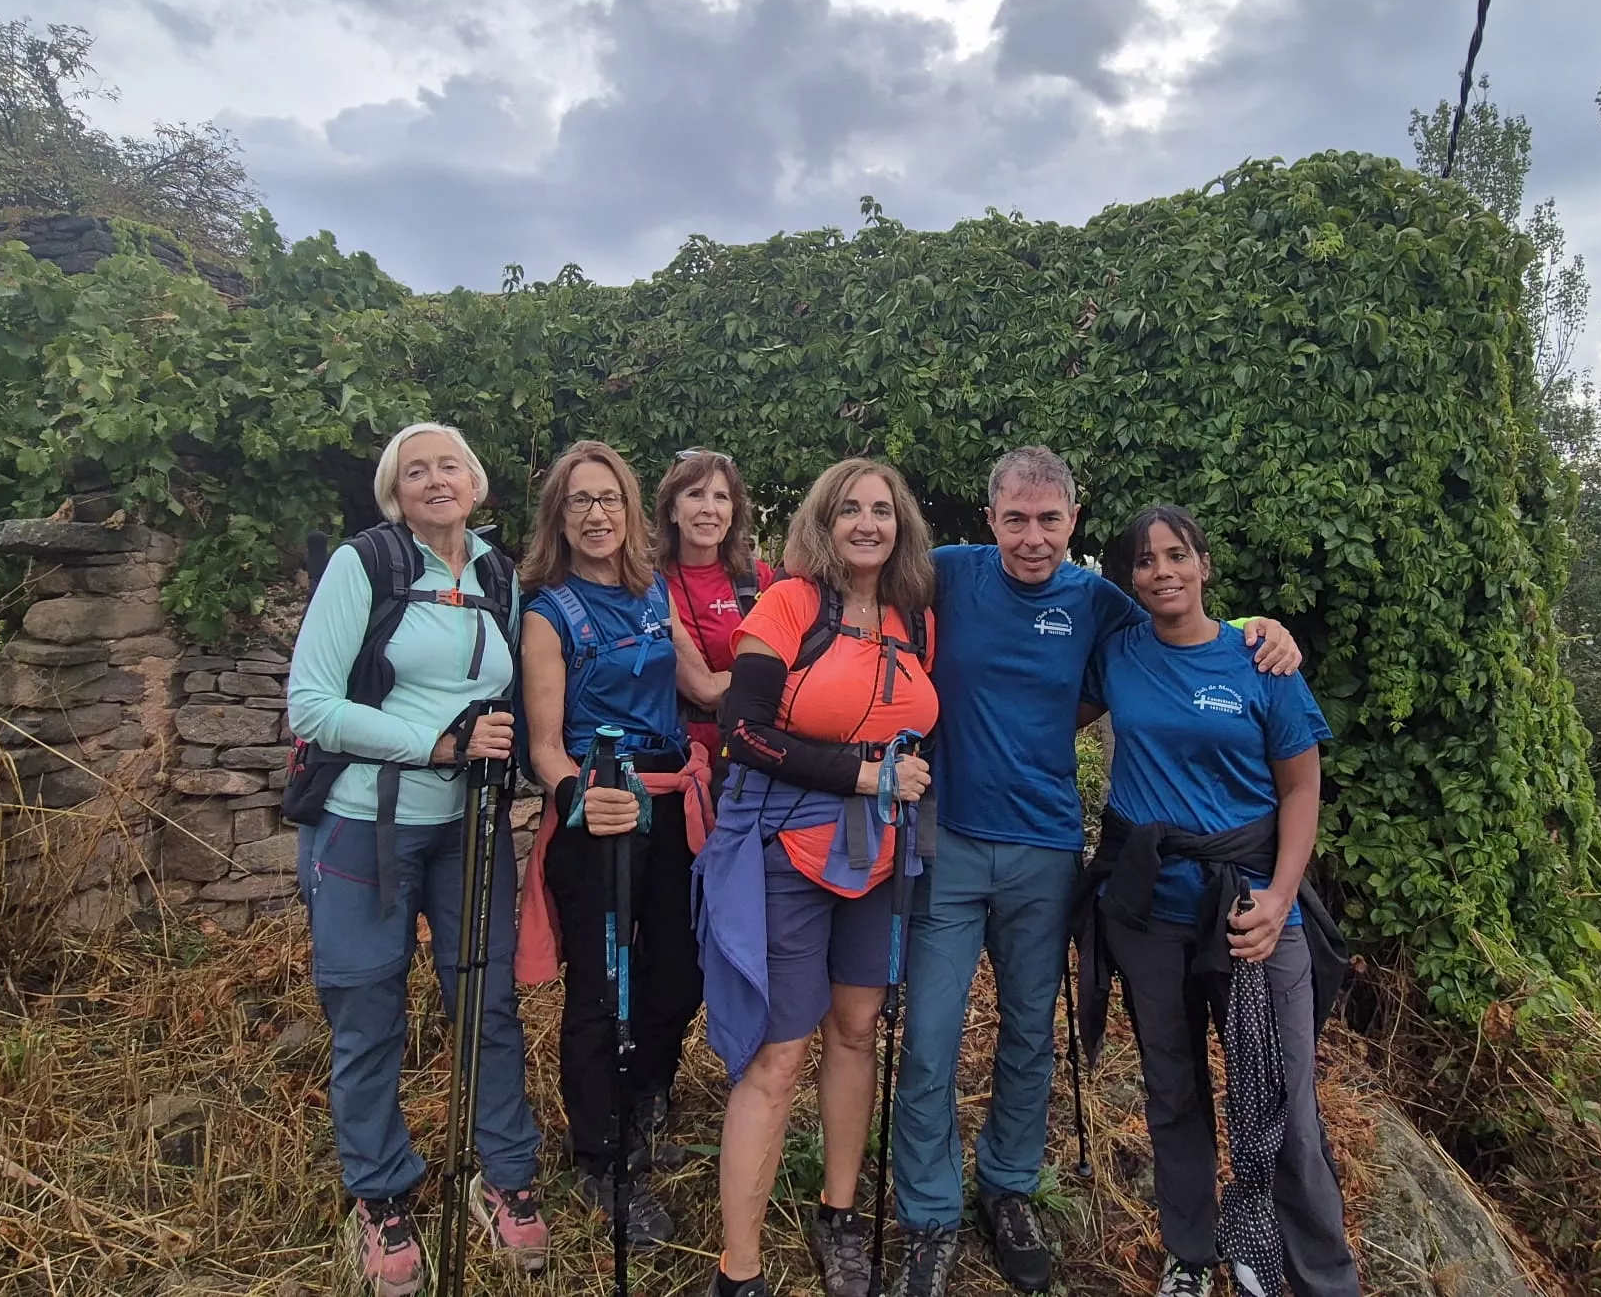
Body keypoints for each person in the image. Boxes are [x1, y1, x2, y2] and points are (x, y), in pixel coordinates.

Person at [889, 446, 1301, 1297]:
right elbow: (850, 586)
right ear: (989, 516)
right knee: (928, 1040)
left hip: (1045, 848)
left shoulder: (1100, 601)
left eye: (1049, 520)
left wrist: (1265, 632)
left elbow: (1184, 628)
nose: (1031, 538)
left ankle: (1009, 1189)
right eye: (1015, 519)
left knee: (1030, 1034)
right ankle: (928, 1215)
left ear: (1072, 521)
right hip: (949, 839)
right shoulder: (946, 574)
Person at [287, 422, 547, 1297]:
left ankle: (505, 1175)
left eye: (450, 467)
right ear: (393, 491)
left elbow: (505, 700)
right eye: (415, 470)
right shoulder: (366, 565)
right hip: (366, 825)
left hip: (471, 828)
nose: (435, 480)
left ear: (475, 484)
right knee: (369, 1015)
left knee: (489, 1001)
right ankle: (381, 1195)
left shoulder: (498, 576)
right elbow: (311, 706)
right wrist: (434, 744)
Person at [1077, 505, 1355, 1297]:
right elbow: (1039, 714)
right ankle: (1191, 1256)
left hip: (1251, 914)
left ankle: (1317, 1276)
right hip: (1150, 912)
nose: (1161, 571)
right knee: (1173, 1090)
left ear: (1203, 564)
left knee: (1282, 1101)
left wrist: (1279, 897)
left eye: (1176, 555)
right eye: (1143, 561)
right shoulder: (1119, 655)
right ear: (1128, 579)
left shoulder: (1261, 660)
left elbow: (1302, 787)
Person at [695, 458, 941, 1297]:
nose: (868, 524)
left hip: (878, 860)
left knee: (856, 1028)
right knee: (777, 1053)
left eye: (883, 510)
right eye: (850, 511)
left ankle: (838, 1216)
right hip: (786, 854)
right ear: (824, 524)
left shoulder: (917, 620)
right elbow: (744, 734)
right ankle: (741, 1265)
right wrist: (864, 776)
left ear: (901, 523)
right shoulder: (789, 605)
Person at [514, 439, 714, 1246]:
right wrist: (581, 797)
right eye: (578, 501)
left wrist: (801, 680)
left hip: (670, 805)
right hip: (599, 809)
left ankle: (645, 1099)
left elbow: (702, 686)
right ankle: (601, 1154)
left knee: (682, 968)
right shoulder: (546, 611)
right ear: (558, 517)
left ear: (632, 512)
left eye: (609, 500)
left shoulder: (654, 592)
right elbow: (545, 742)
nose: (596, 515)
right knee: (603, 988)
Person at [653, 446, 776, 760]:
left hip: (746, 753)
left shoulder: (758, 579)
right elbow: (704, 692)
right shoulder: (648, 584)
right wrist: (756, 677)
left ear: (733, 511)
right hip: (676, 754)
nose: (709, 508)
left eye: (721, 497)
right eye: (695, 494)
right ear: (671, 510)